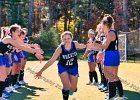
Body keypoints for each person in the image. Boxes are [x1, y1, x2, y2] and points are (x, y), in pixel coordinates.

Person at [35, 31, 89, 100]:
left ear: (71, 38)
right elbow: (51, 60)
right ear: (62, 40)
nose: (67, 40)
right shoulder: (60, 48)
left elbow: (83, 46)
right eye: (65, 39)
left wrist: (88, 45)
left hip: (73, 67)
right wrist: (41, 71)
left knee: (73, 88)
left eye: (68, 38)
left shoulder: (75, 44)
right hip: (63, 67)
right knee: (66, 86)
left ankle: (72, 89)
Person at [0, 24, 43, 99]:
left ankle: (1, 95)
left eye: (20, 31)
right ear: (13, 32)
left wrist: (35, 50)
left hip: (2, 56)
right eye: (18, 31)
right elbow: (21, 47)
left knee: (3, 77)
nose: (19, 32)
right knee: (3, 76)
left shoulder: (15, 39)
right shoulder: (9, 38)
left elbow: (23, 45)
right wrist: (35, 51)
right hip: (0, 56)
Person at [92, 14, 124, 100]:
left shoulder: (110, 33)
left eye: (102, 24)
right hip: (114, 54)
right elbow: (106, 45)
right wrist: (98, 44)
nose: (102, 26)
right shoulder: (112, 32)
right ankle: (121, 96)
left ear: (106, 24)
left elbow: (105, 46)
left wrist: (95, 44)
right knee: (114, 76)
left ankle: (111, 97)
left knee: (110, 76)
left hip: (110, 55)